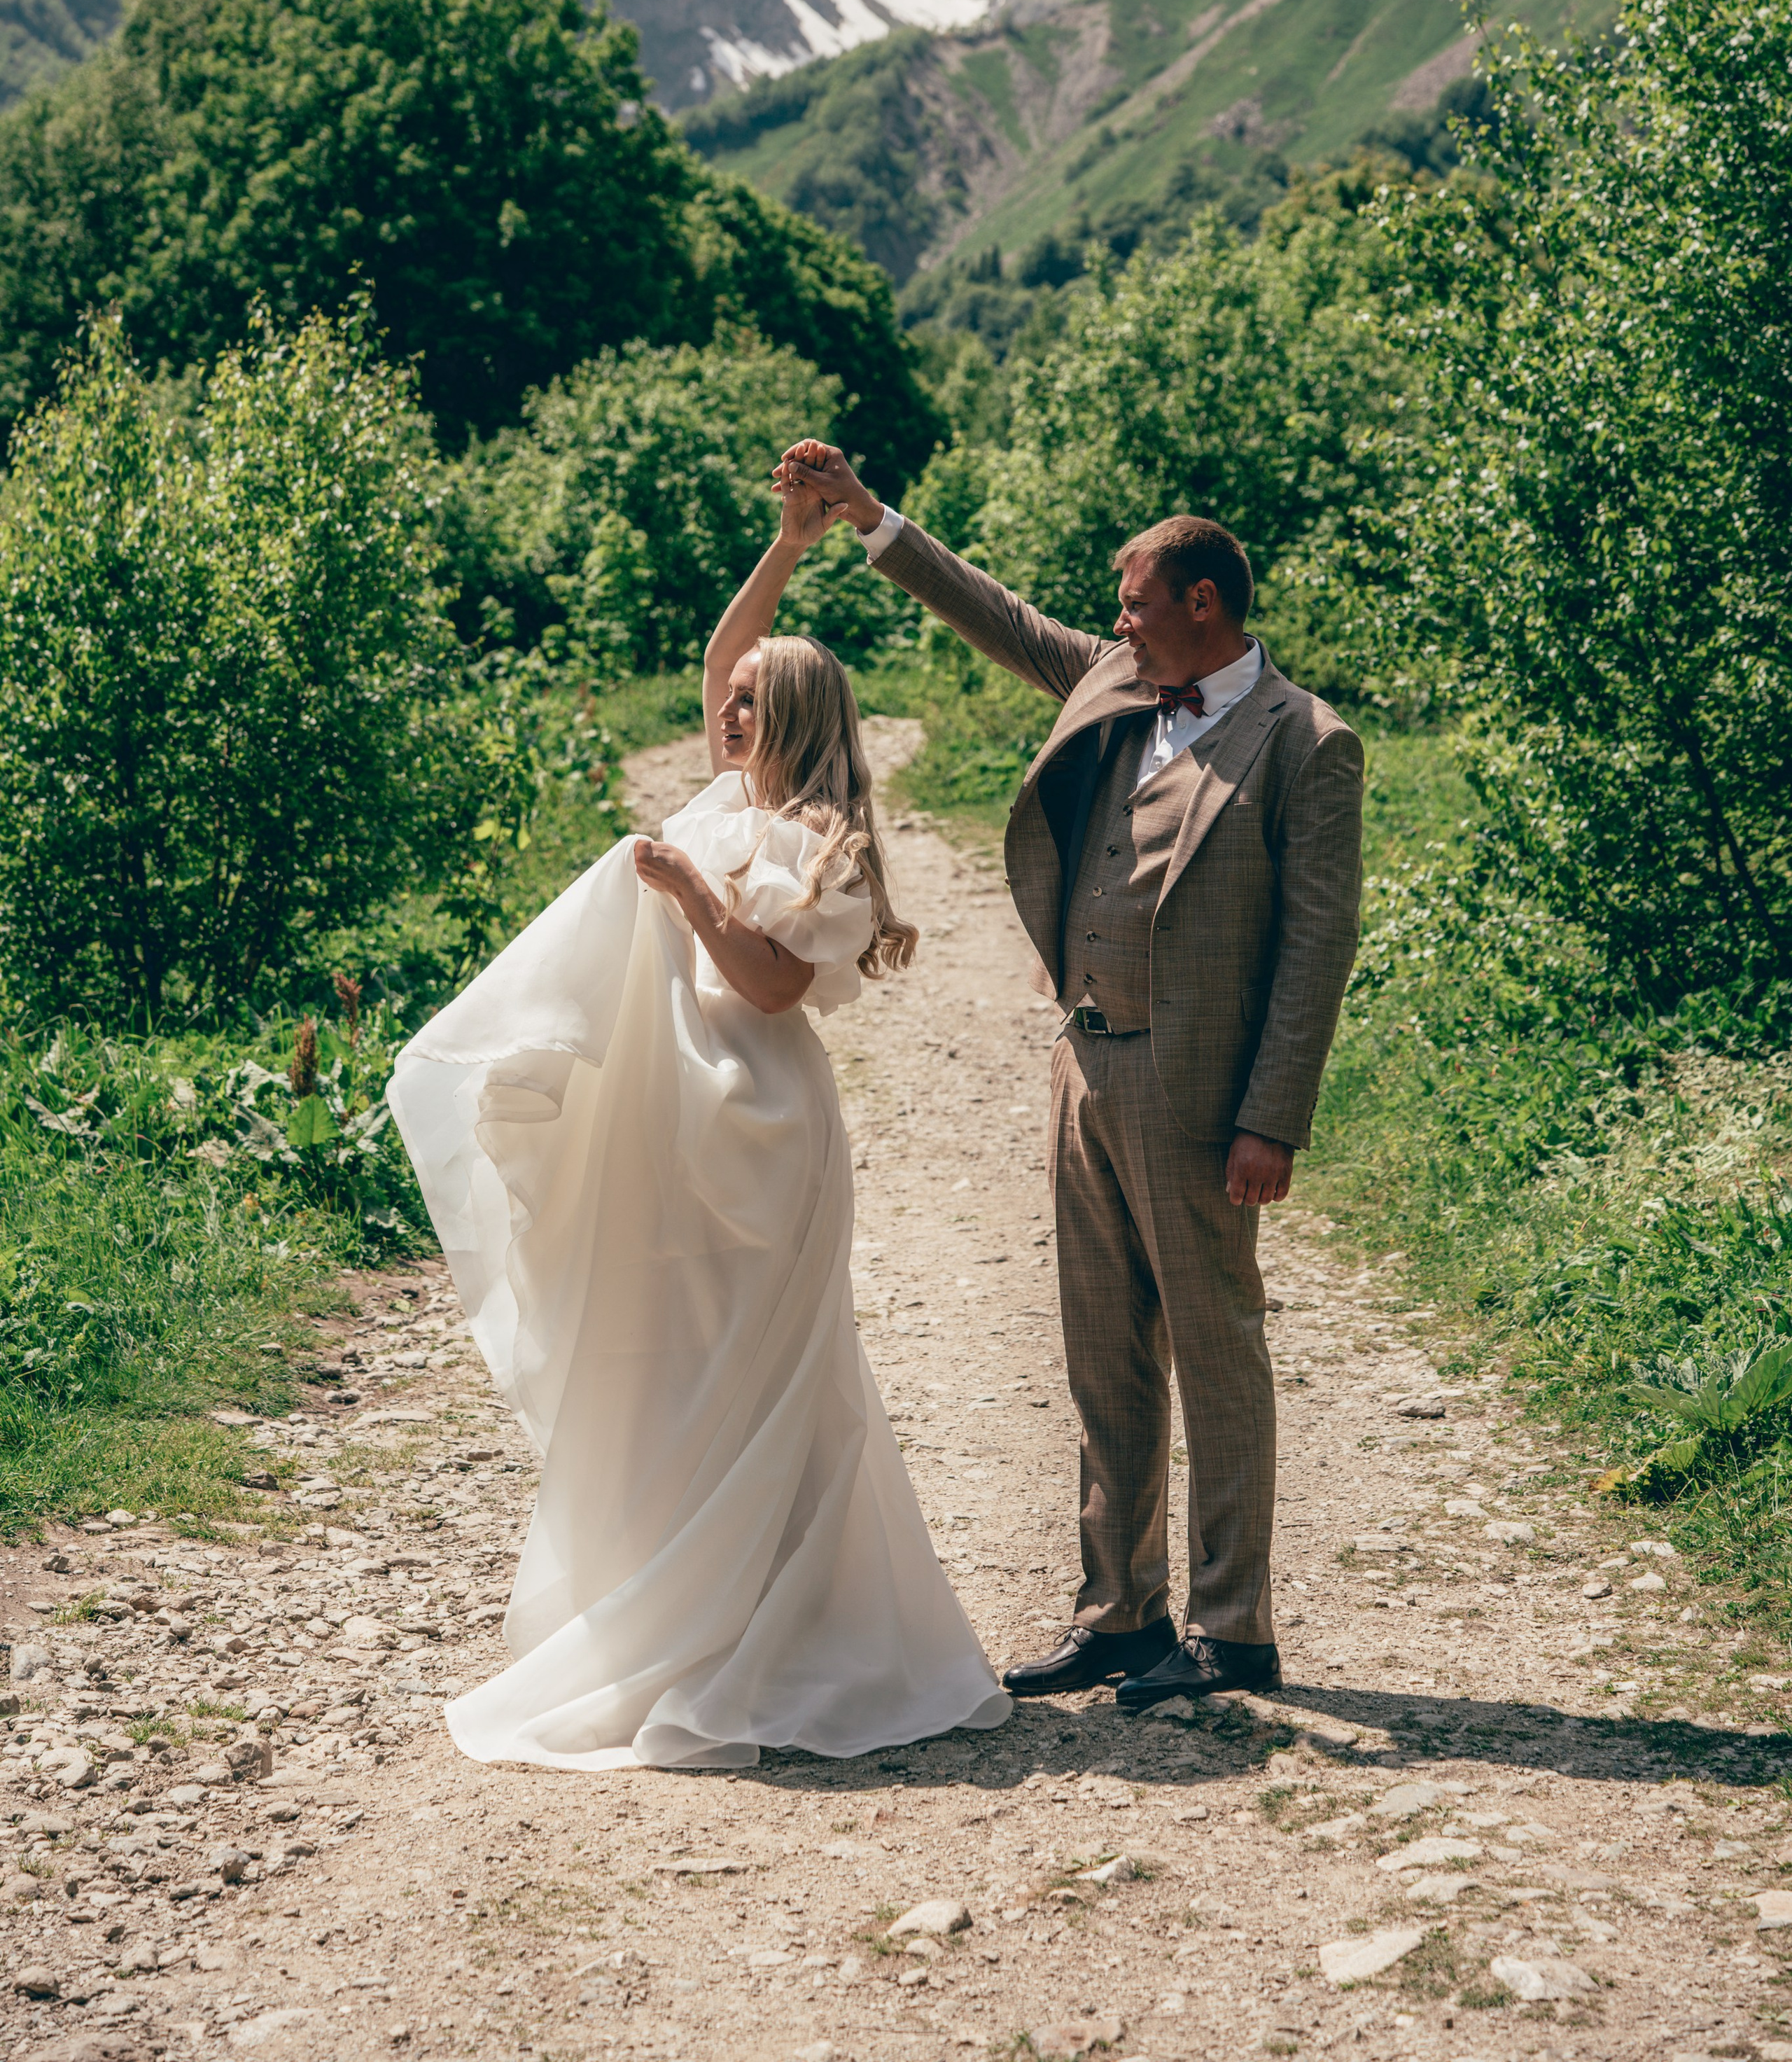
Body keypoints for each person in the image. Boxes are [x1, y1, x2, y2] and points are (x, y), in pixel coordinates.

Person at [386, 478, 1011, 1771]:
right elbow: (727, 644)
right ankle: (684, 1607)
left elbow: (774, 985)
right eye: (726, 702)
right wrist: (788, 546)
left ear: (790, 720)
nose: (724, 709)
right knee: (674, 1371)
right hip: (668, 1117)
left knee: (771, 1382)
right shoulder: (724, 805)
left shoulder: (814, 844)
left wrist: (684, 894)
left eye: (747, 704)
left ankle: (787, 1636)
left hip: (760, 1131)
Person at [777, 440, 1363, 1712]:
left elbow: (1319, 946)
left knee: (1215, 1349)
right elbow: (994, 612)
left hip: (1203, 1089)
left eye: (1137, 601)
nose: (1118, 622)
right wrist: (871, 519)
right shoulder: (1113, 679)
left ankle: (1233, 1628)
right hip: (1082, 1068)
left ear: (1202, 603)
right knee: (1102, 1357)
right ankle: (1119, 1615)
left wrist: (1274, 1118)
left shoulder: (1306, 741)